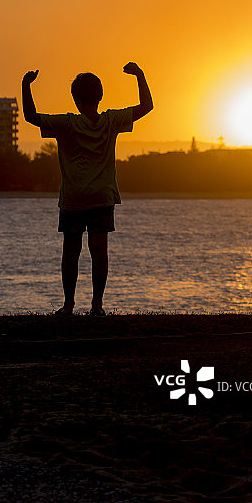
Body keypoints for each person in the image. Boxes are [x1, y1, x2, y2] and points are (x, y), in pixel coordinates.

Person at [22, 63, 153, 316]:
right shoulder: (111, 121)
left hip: (73, 199)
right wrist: (140, 75)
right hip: (101, 198)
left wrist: (26, 85)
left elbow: (31, 116)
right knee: (99, 252)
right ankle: (97, 306)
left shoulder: (66, 124)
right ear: (100, 96)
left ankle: (68, 305)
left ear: (75, 98)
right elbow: (146, 106)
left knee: (71, 253)